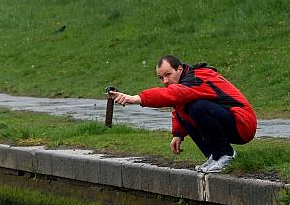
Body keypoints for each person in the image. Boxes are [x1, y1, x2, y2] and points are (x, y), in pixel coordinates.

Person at [110, 55, 256, 173]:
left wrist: (136, 98)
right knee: (189, 108)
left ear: (179, 69)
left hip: (243, 124)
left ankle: (226, 155)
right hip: (230, 122)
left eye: (168, 74)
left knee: (198, 107)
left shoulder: (197, 77)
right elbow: (178, 107)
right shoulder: (184, 82)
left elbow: (173, 95)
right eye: (161, 78)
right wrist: (178, 134)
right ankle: (214, 157)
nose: (165, 81)